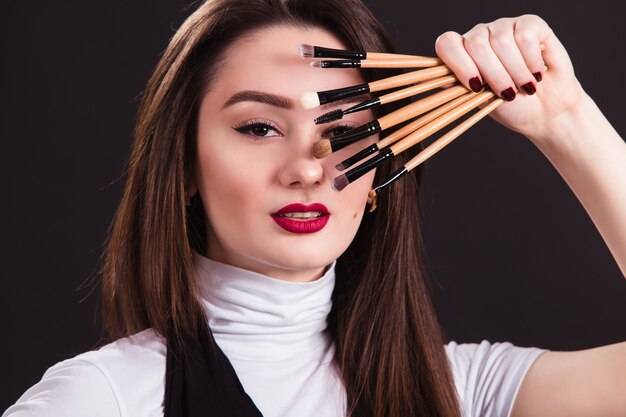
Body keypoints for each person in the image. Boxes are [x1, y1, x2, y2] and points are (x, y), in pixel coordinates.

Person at [4, 0, 625, 416]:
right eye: (259, 128)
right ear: (184, 165)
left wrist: (566, 121)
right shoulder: (102, 400)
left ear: (382, 171)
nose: (308, 167)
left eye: (347, 132)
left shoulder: (456, 389)